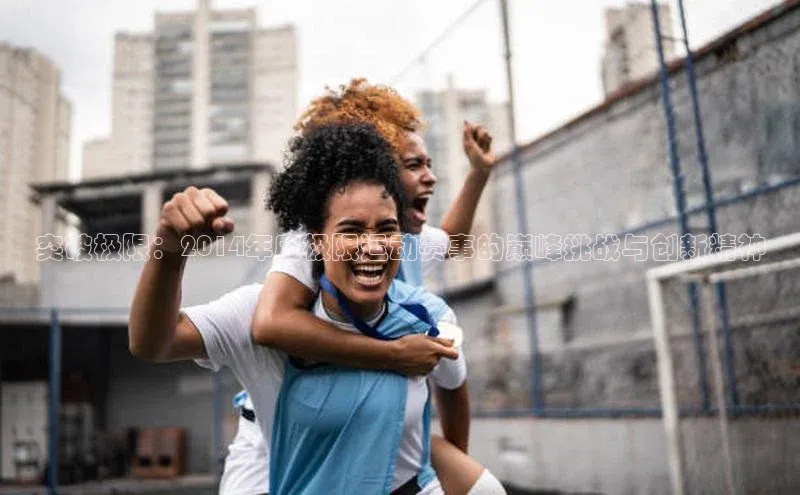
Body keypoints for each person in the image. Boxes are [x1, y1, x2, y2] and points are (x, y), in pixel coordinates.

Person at [251, 78, 501, 492]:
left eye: (429, 163)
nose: (430, 177)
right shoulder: (314, 242)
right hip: (291, 435)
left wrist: (478, 173)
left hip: (381, 428)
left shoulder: (403, 242)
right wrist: (394, 355)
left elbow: (454, 241)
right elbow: (270, 323)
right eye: (413, 165)